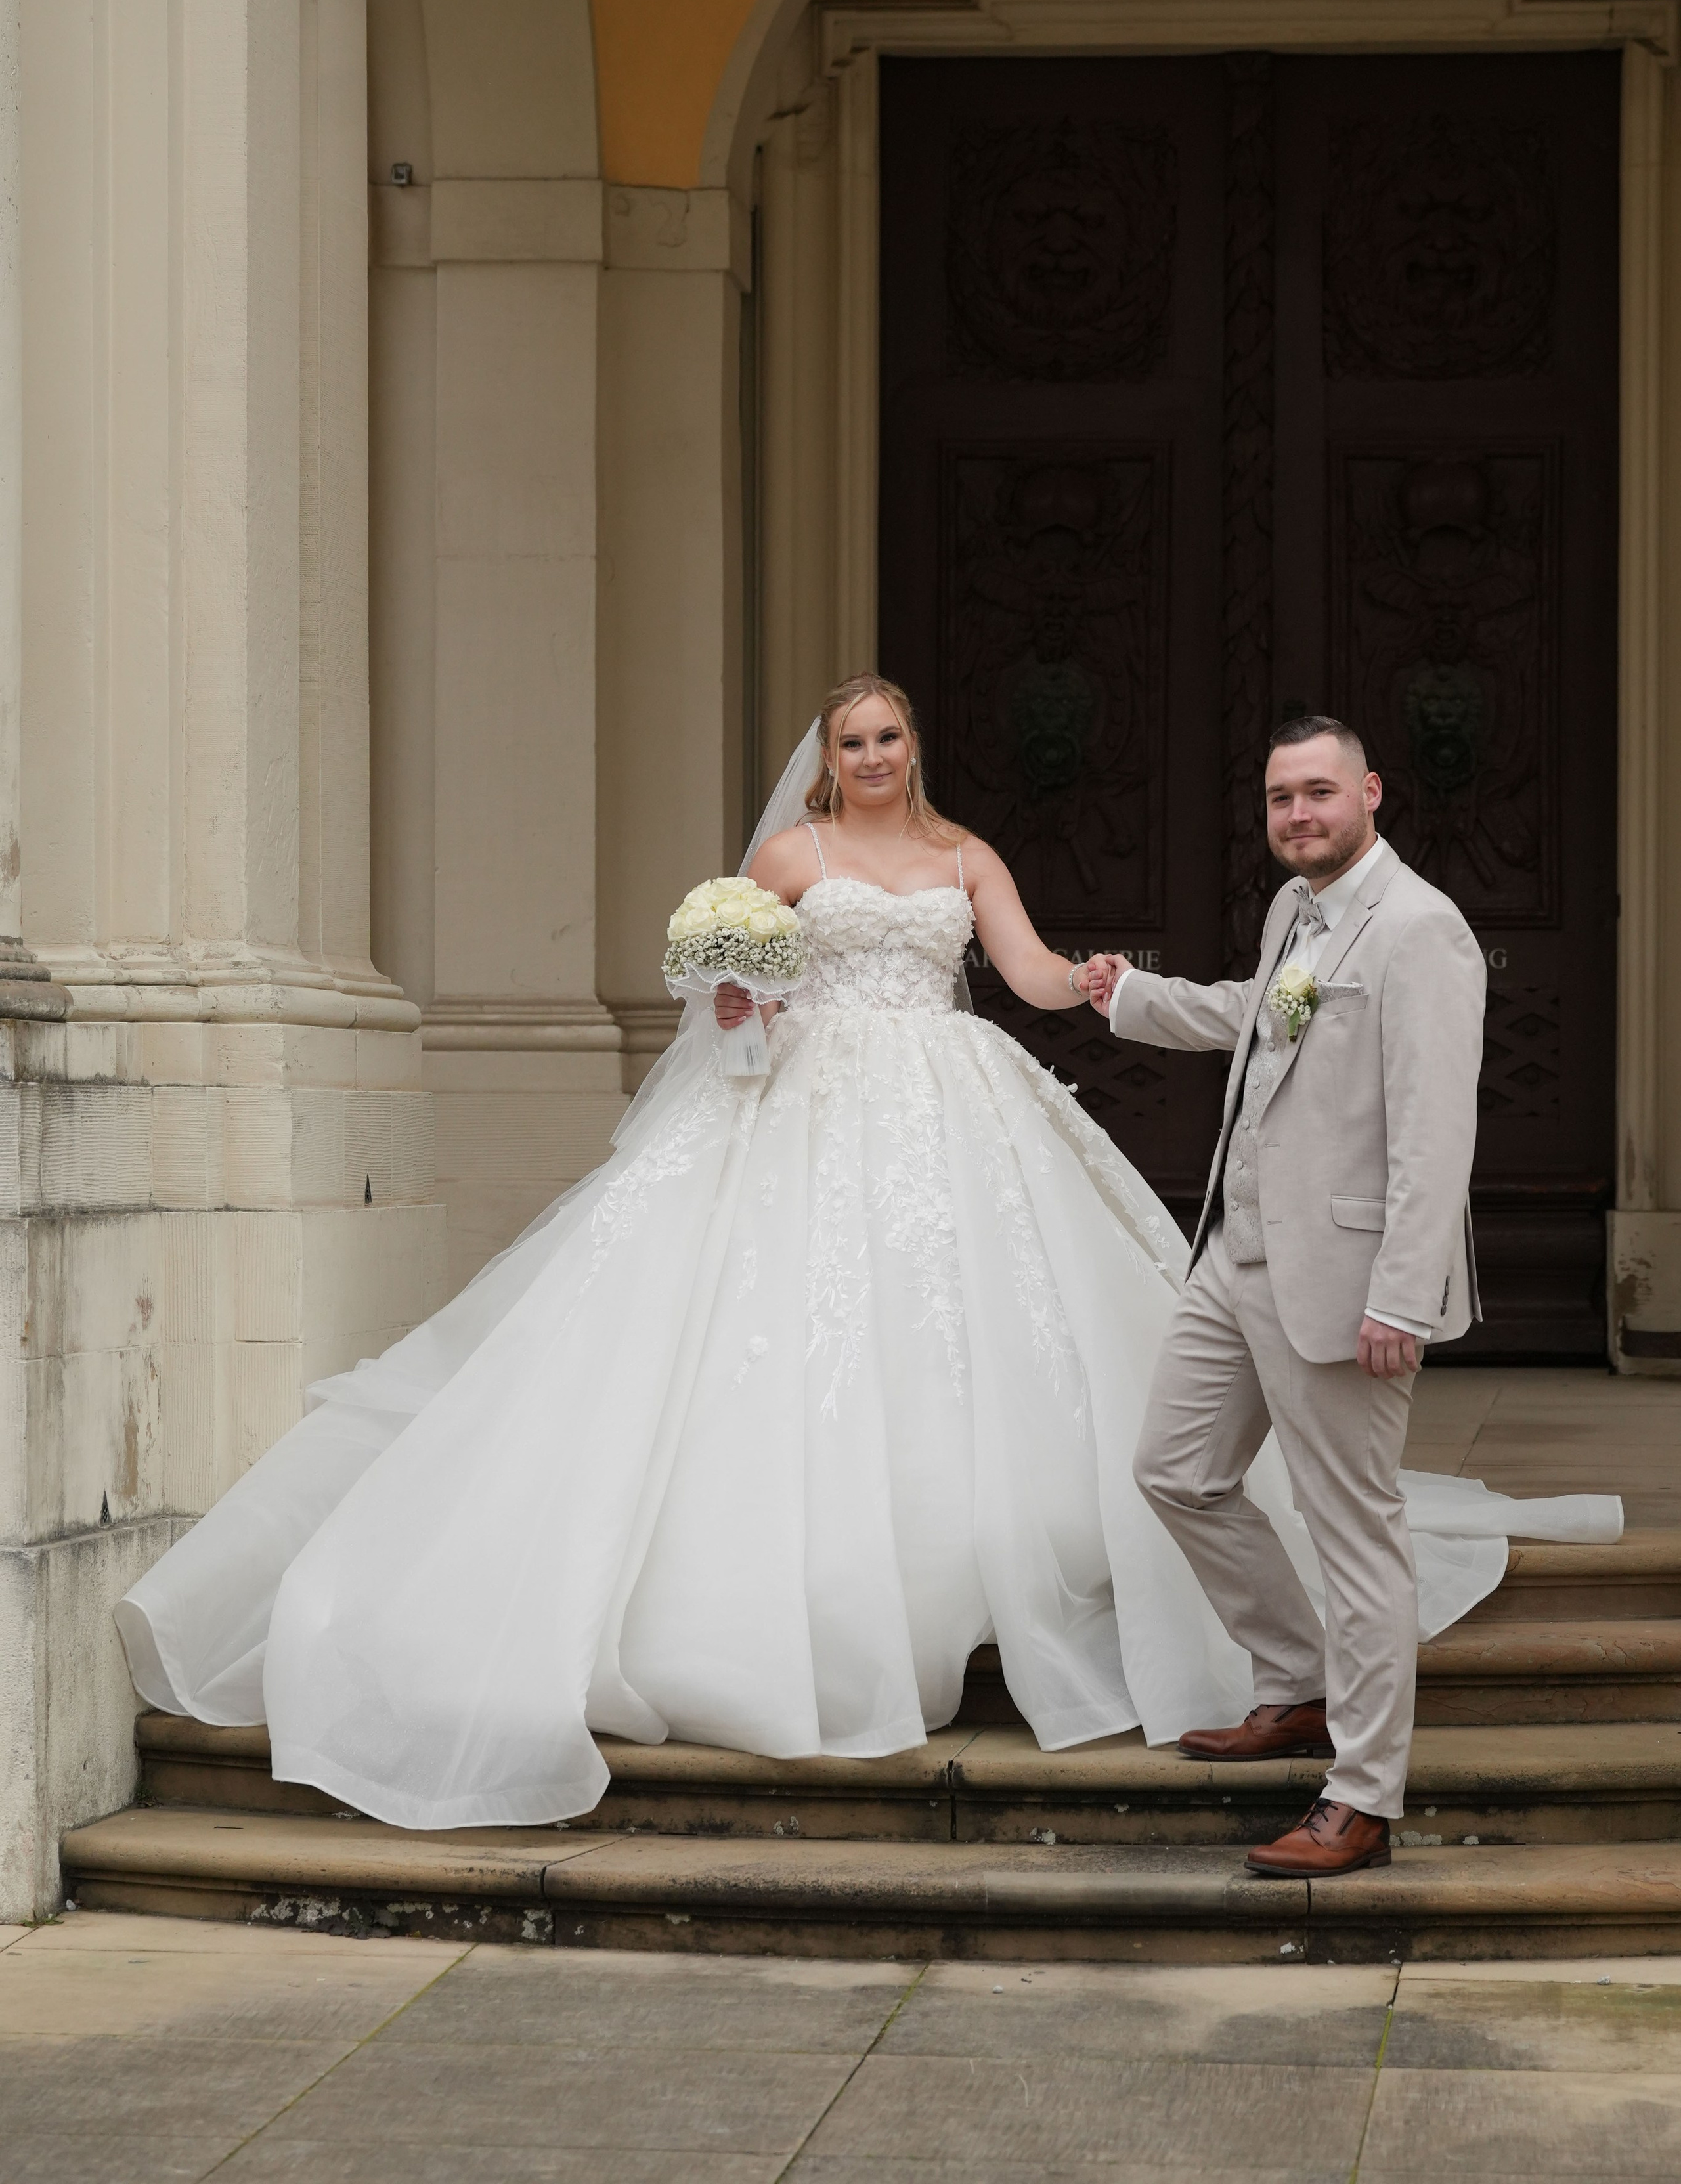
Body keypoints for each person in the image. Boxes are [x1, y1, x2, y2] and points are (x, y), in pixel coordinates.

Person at [116, 681, 1617, 1835]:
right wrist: (733, 993)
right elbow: (731, 977)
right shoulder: (800, 853)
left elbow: (1031, 977)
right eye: (853, 738)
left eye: (891, 735)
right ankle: (1292, 1684)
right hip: (808, 1110)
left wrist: (1094, 985)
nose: (873, 755)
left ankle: (1355, 1779)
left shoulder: (1010, 861)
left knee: (1134, 1423)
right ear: (826, 756)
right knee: (1138, 1455)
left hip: (998, 1125)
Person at [1088, 710, 1493, 1878]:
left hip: (1347, 1277)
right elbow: (1255, 1017)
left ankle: (1362, 1795)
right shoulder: (1292, 912)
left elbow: (1436, 1131)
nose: (1298, 813)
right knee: (1176, 1468)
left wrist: (1402, 1297)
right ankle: (1299, 1680)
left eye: (1319, 791)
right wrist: (1131, 997)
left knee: (1355, 1533)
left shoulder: (1421, 927)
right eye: (1280, 797)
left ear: (1372, 792)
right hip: (1238, 1253)